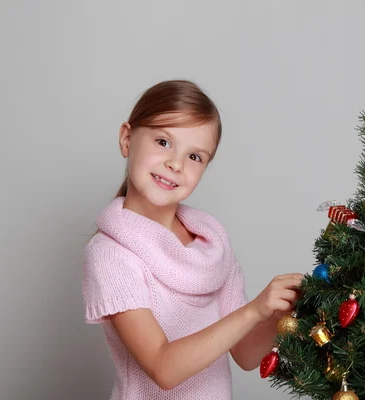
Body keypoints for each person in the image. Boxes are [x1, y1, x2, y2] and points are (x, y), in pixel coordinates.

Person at [82, 80, 303, 399]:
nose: (175, 164)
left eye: (195, 157)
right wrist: (255, 310)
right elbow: (163, 368)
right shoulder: (110, 254)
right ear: (127, 139)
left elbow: (245, 353)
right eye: (162, 141)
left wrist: (282, 309)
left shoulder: (212, 245)